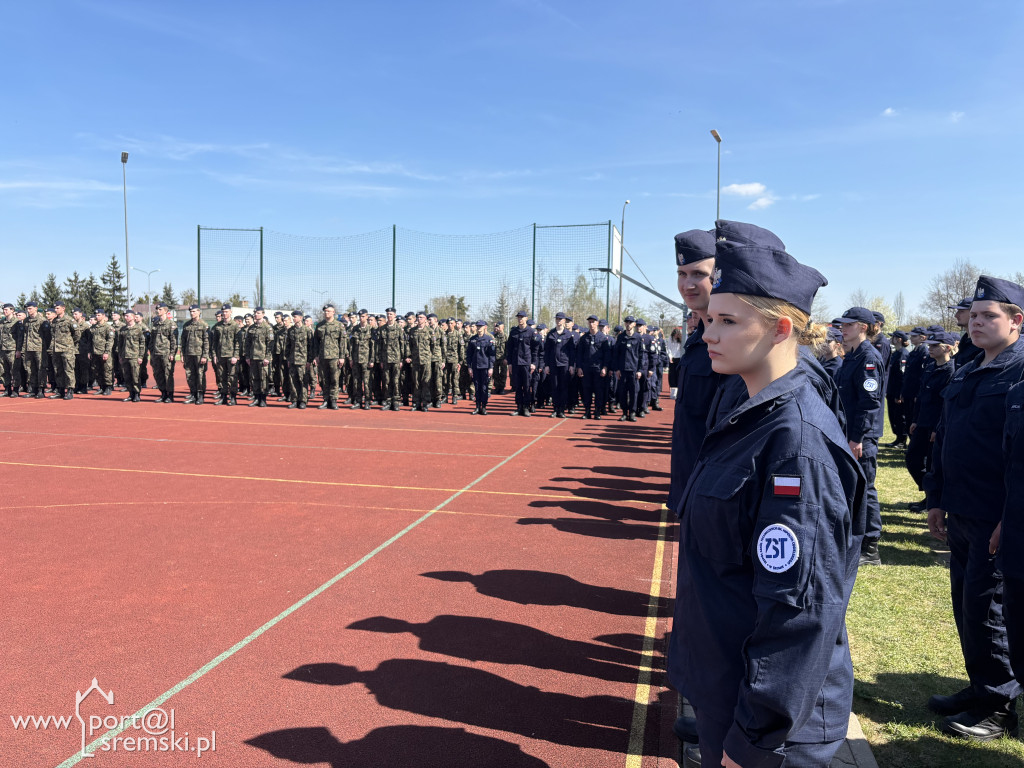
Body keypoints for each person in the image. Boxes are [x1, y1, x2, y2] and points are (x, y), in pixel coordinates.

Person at [670, 225, 865, 768]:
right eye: (711, 319)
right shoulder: (751, 414)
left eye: (729, 321)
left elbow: (800, 610)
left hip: (767, 722)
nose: (710, 333)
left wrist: (754, 738)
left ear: (781, 330)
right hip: (729, 688)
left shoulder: (794, 442)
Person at [926, 276, 1024, 741]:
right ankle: (978, 686)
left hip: (995, 516)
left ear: (1016, 321)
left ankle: (999, 706)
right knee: (967, 607)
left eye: (990, 316)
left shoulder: (1019, 373)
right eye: (975, 316)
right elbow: (947, 440)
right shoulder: (967, 370)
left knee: (989, 610)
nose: (977, 323)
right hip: (961, 509)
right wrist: (937, 500)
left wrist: (1011, 518)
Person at [835, 306, 886, 566]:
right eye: (842, 325)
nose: (842, 329)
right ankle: (856, 538)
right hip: (849, 432)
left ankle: (871, 546)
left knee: (866, 487)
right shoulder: (853, 355)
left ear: (863, 327)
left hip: (861, 436)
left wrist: (857, 438)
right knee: (854, 486)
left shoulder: (868, 357)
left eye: (848, 325)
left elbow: (869, 403)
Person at [904, 331, 956, 510]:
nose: (930, 348)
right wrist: (915, 419)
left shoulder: (951, 371)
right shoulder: (930, 367)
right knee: (912, 459)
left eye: (935, 345)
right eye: (930, 345)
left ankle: (933, 501)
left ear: (947, 348)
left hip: (935, 426)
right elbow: (921, 395)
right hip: (922, 423)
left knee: (932, 465)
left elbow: (945, 404)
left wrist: (937, 428)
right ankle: (928, 493)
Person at [576, 314, 609, 420]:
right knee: (586, 391)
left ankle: (597, 411)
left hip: (598, 369)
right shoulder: (584, 338)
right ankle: (587, 411)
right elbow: (579, 354)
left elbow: (606, 355)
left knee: (599, 391)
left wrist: (605, 367)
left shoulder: (603, 338)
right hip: (586, 368)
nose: (591, 324)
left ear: (597, 323)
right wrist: (579, 367)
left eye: (593, 322)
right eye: (590, 322)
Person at [612, 316, 644, 422]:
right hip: (622, 370)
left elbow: (641, 355)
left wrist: (640, 370)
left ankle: (633, 413)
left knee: (634, 392)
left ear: (634, 324)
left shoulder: (638, 338)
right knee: (623, 392)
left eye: (630, 323)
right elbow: (616, 354)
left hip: (634, 370)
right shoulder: (621, 337)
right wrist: (616, 369)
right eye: (627, 322)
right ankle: (624, 413)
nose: (628, 324)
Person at [180, 303, 209, 404]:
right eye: (191, 312)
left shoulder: (204, 325)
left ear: (199, 312)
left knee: (200, 375)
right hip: (188, 354)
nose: (192, 313)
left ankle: (200, 395)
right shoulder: (186, 325)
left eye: (194, 311)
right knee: (190, 375)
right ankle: (193, 394)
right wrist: (182, 354)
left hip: (199, 354)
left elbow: (206, 342)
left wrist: (205, 355)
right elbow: (183, 341)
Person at [885, 330, 911, 446]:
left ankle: (902, 439)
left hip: (897, 392)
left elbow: (902, 376)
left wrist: (899, 394)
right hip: (891, 390)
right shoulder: (896, 353)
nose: (892, 339)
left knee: (900, 416)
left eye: (893, 337)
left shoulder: (903, 354)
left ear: (899, 339)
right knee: (893, 416)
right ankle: (898, 438)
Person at [149, 302, 178, 403]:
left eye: (160, 309)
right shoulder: (155, 324)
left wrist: (172, 354)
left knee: (167, 374)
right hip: (156, 354)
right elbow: (152, 340)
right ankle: (163, 393)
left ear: (165, 311)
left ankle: (170, 395)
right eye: (157, 309)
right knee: (158, 374)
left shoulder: (171, 324)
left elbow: (174, 341)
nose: (158, 311)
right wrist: (152, 352)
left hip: (166, 354)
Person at [465, 320, 496, 414]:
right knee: (477, 387)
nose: (479, 328)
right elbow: (469, 354)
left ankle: (484, 407)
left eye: (480, 326)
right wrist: (469, 367)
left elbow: (492, 355)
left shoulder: (489, 339)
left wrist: (491, 367)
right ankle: (477, 406)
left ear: (485, 327)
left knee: (484, 387)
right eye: (477, 326)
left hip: (485, 366)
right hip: (475, 367)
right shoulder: (472, 339)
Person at [117, 310, 145, 402]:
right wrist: (120, 356)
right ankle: (130, 394)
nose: (126, 317)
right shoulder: (123, 329)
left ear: (133, 317)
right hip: (125, 356)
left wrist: (140, 356)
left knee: (135, 376)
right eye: (125, 316)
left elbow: (142, 343)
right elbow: (120, 344)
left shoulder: (139, 328)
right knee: (127, 376)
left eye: (127, 316)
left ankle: (137, 394)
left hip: (134, 356)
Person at [89, 308, 116, 396]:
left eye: (99, 315)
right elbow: (90, 341)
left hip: (104, 352)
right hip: (95, 352)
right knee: (97, 370)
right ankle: (102, 387)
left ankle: (108, 387)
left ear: (103, 316)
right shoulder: (93, 327)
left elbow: (110, 340)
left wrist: (107, 352)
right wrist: (90, 352)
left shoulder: (108, 327)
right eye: (96, 315)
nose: (97, 317)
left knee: (107, 370)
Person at [666, 326, 683, 399]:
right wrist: (670, 356)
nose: (676, 336)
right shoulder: (670, 339)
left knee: (679, 375)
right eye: (675, 335)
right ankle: (673, 393)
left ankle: (679, 392)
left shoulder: (681, 339)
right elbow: (668, 348)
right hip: (672, 358)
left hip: (679, 358)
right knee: (672, 375)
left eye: (677, 335)